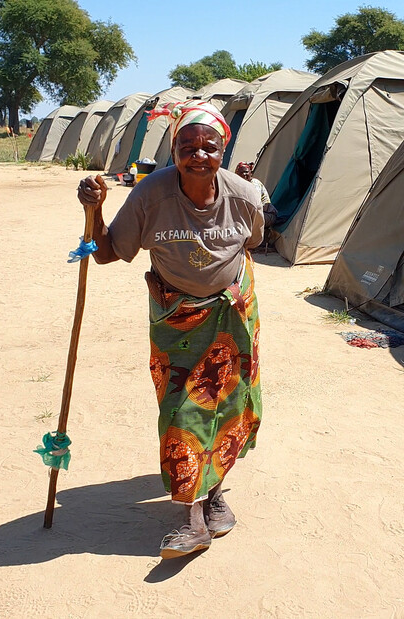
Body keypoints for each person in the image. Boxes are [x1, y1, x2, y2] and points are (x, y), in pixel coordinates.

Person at [77, 100, 264, 559]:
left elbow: (254, 241)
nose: (198, 154)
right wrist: (96, 210)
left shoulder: (242, 194)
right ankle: (195, 519)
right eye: (188, 146)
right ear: (173, 149)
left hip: (232, 315)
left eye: (209, 147)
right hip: (176, 319)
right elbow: (105, 253)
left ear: (223, 150)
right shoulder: (150, 194)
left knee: (231, 405)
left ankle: (214, 495)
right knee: (183, 410)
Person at [235, 161, 278, 228]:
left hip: (266, 214)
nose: (244, 174)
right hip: (254, 214)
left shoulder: (254, 183)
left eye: (246, 172)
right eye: (240, 173)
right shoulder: (239, 186)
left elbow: (254, 203)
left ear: (251, 173)